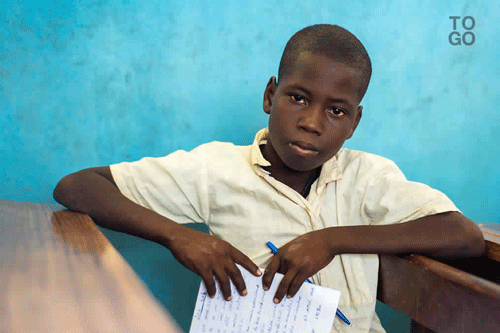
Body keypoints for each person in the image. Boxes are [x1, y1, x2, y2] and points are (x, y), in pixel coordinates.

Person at [54, 24, 485, 332]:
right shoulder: (216, 170)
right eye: (298, 98)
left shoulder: (368, 177)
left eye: (336, 111)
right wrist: (180, 237)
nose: (312, 123)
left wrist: (332, 240)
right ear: (270, 95)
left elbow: (462, 235)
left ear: (354, 122)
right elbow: (76, 186)